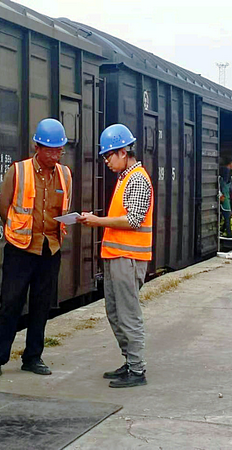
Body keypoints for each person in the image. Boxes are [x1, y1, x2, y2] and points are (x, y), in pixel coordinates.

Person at [0, 118, 72, 382]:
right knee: (10, 304)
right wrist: (19, 230)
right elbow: (4, 208)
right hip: (20, 249)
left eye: (59, 150)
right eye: (50, 150)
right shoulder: (18, 171)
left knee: (42, 306)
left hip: (50, 249)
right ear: (37, 147)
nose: (55, 155)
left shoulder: (65, 174)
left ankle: (32, 357)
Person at [77, 124, 153, 388]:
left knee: (128, 314)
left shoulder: (137, 179)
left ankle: (137, 369)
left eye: (109, 155)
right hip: (117, 256)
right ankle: (129, 361)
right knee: (114, 312)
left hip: (129, 258)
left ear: (124, 152)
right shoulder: (125, 178)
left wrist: (97, 221)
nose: (106, 162)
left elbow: (133, 220)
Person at [219, 156, 232, 237]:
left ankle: (223, 230)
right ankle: (228, 233)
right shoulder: (226, 171)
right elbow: (222, 184)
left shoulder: (223, 170)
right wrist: (220, 194)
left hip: (225, 195)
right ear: (231, 163)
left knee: (226, 214)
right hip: (224, 195)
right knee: (227, 214)